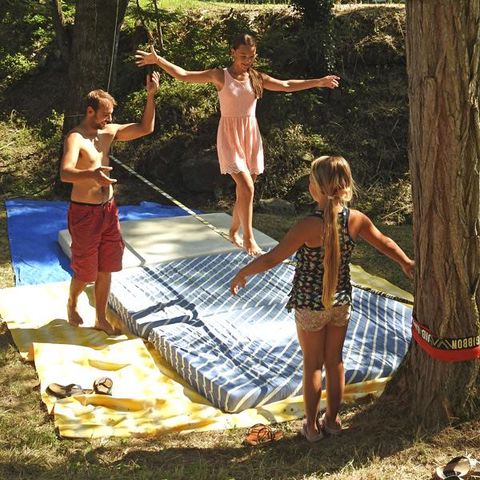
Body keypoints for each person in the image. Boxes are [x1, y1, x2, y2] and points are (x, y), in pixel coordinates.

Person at [230, 155, 414, 442]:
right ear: (345, 185)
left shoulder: (307, 225)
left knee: (313, 365)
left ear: (315, 188)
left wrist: (244, 272)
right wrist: (406, 262)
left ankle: (312, 427)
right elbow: (384, 243)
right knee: (335, 361)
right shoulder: (356, 220)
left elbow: (273, 258)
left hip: (309, 305)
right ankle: (333, 421)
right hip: (341, 303)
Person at [135, 34, 340, 256]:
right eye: (243, 56)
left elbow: (286, 85)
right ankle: (249, 238)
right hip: (230, 137)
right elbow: (184, 75)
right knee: (247, 188)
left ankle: (233, 230)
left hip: (250, 136)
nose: (247, 60)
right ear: (232, 52)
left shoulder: (256, 77)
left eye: (251, 56)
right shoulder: (219, 75)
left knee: (245, 191)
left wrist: (318, 81)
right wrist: (158, 60)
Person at [60, 72, 160, 334]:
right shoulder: (76, 137)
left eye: (111, 114)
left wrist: (151, 96)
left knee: (106, 267)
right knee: (86, 273)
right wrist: (91, 175)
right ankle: (72, 302)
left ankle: (100, 318)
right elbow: (65, 173)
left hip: (109, 210)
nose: (109, 119)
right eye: (105, 114)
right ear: (90, 111)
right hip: (84, 213)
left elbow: (145, 128)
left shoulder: (109, 132)